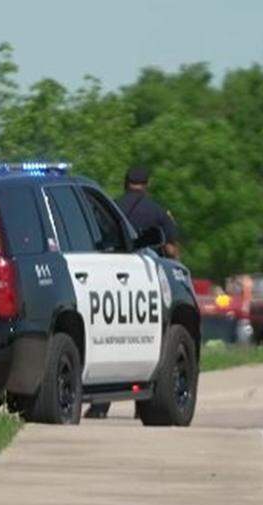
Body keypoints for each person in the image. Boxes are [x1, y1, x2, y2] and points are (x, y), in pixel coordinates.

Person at [84, 166, 180, 419]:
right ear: (147, 184)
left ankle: (99, 405)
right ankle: (144, 405)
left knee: (111, 339)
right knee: (150, 342)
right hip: (144, 282)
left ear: (125, 183)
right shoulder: (157, 211)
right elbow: (171, 249)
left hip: (105, 278)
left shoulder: (109, 207)